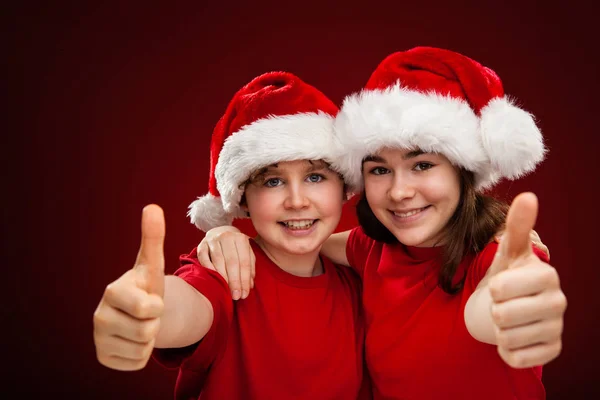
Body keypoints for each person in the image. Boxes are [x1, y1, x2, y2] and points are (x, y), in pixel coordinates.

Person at [196, 47, 567, 399]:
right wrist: (224, 234)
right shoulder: (369, 249)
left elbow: (496, 304)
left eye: (422, 165)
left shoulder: (499, 256)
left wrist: (516, 307)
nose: (399, 191)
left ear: (462, 172)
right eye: (379, 170)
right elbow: (306, 236)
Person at [92, 72, 369, 400]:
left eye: (315, 177)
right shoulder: (226, 271)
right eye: (272, 182)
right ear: (243, 201)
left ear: (343, 189)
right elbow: (190, 305)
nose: (297, 201)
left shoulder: (357, 283)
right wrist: (149, 312)